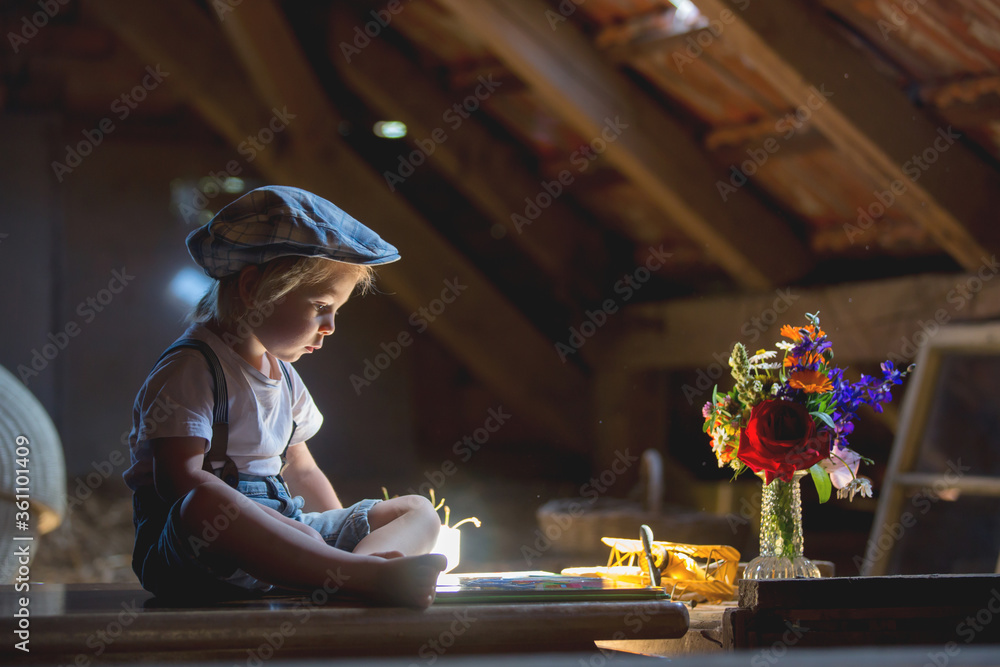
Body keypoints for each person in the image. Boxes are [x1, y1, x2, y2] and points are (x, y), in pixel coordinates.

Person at [124, 185, 446, 608]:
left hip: (290, 531)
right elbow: (178, 481)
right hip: (198, 550)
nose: (330, 326)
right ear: (254, 288)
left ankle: (354, 571)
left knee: (417, 510)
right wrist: (293, 533)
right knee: (205, 501)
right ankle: (349, 575)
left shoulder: (285, 376)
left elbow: (302, 471)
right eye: (320, 307)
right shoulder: (192, 368)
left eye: (337, 312)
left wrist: (335, 540)